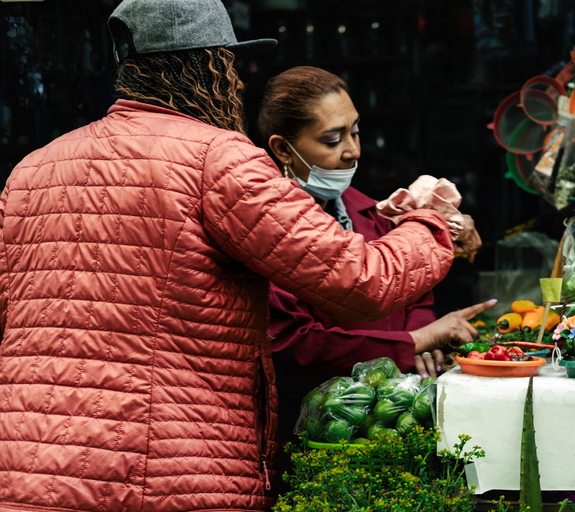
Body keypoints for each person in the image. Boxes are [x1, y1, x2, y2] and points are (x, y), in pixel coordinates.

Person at [0, 1, 482, 511]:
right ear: (213, 66)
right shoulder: (220, 159)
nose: (234, 82)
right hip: (168, 472)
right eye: (229, 67)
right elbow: (361, 281)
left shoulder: (32, 169)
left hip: (30, 469)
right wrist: (433, 224)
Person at [252, 66, 495, 447]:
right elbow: (296, 345)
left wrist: (423, 342)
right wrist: (414, 342)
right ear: (283, 148)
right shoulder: (266, 230)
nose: (354, 151)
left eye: (356, 131)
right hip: (320, 429)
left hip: (395, 416)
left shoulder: (370, 212)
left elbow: (414, 292)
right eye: (333, 140)